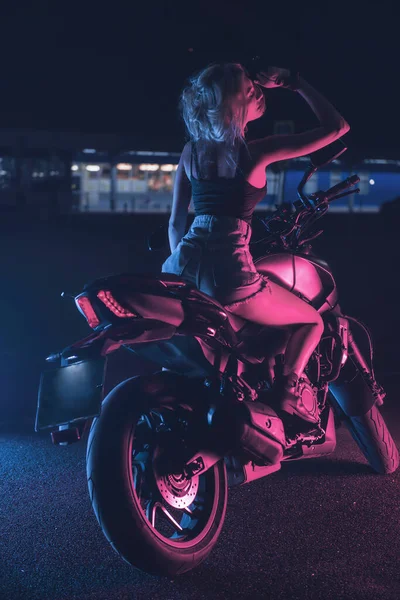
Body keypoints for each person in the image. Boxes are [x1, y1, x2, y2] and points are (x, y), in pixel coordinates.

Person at [161, 62, 350, 426]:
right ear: (233, 104)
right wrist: (295, 82)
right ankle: (286, 392)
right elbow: (337, 127)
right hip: (229, 272)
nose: (259, 92)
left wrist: (186, 276)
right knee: (311, 321)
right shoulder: (254, 152)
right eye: (249, 91)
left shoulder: (191, 152)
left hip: (180, 267)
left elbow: (175, 223)